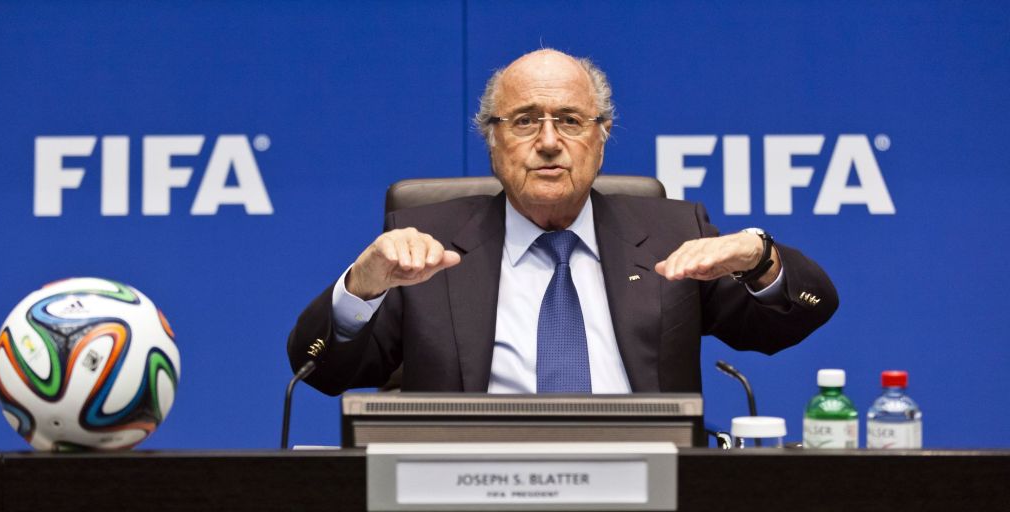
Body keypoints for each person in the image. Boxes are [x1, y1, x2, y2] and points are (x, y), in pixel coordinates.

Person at [288, 49, 837, 395]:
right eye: (525, 121)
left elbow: (793, 321)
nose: (549, 141)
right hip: (471, 485)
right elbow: (323, 371)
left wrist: (761, 260)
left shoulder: (673, 235)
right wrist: (361, 288)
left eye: (570, 121)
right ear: (493, 139)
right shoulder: (427, 244)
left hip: (642, 483)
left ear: (602, 137)